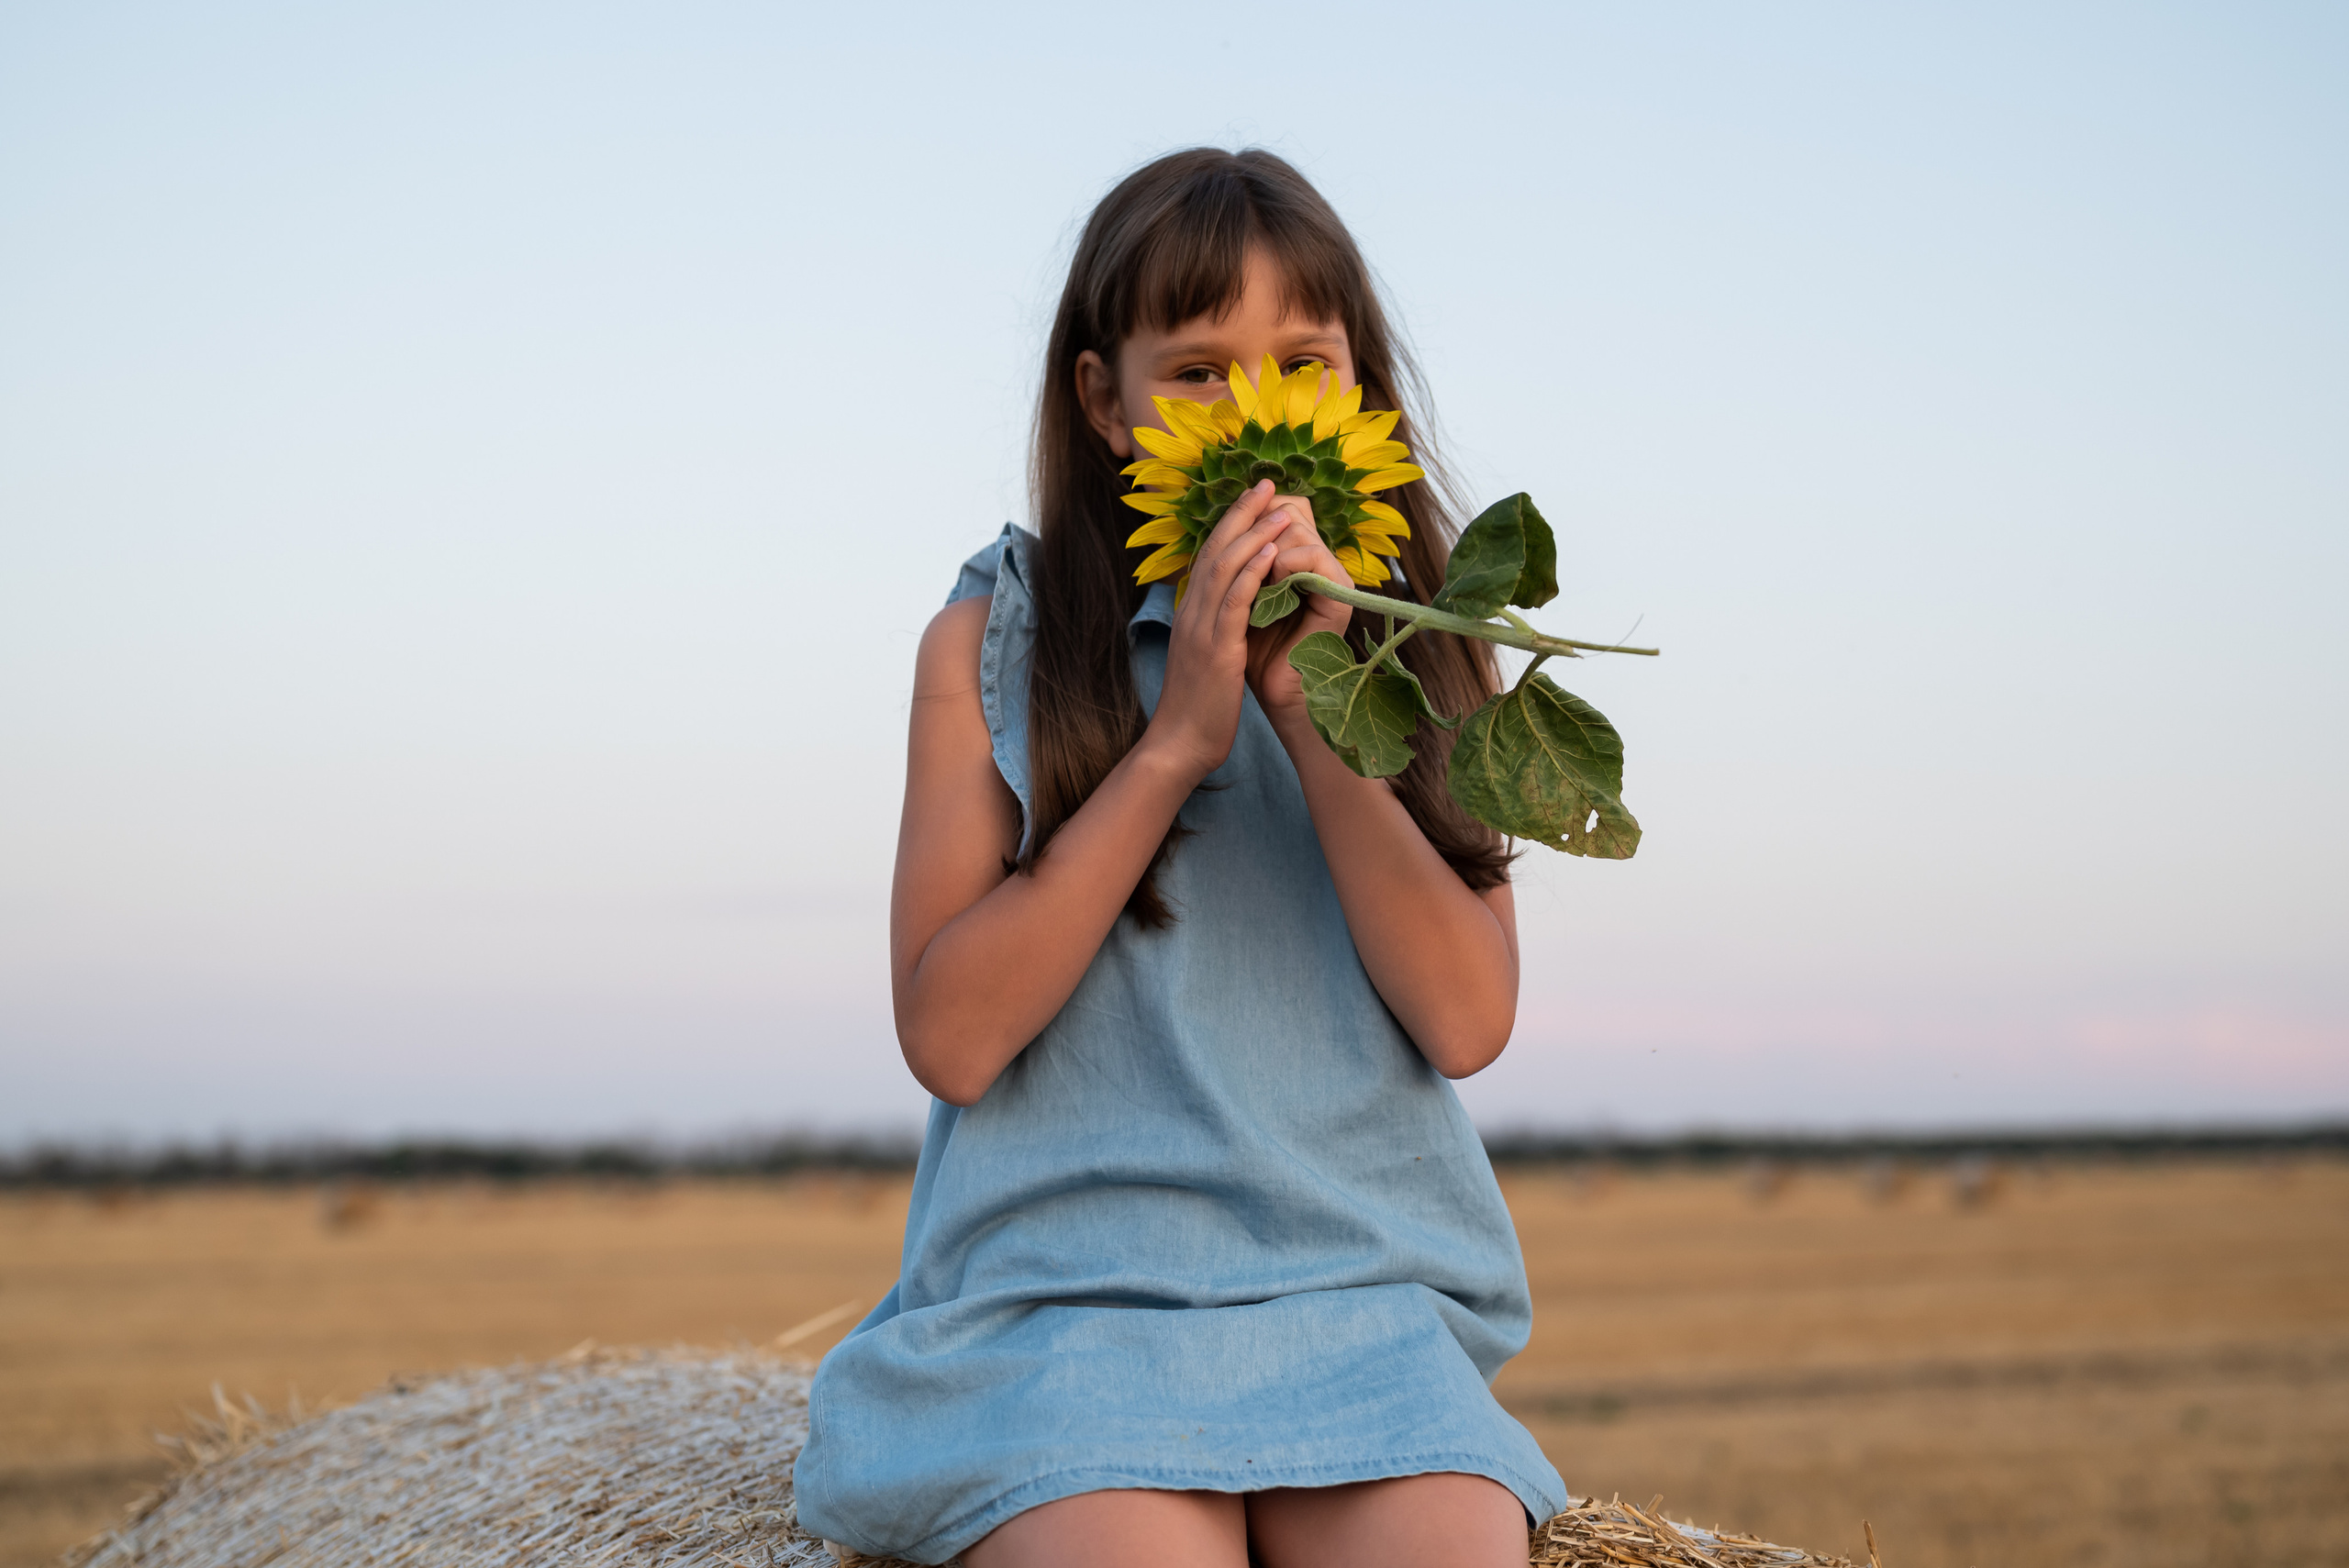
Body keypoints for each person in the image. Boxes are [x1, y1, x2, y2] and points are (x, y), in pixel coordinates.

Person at [794, 147, 1565, 1568]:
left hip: (1366, 1302)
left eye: (1303, 367)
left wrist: (1309, 705)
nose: (1256, 415)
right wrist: (1174, 745)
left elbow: (1467, 1016)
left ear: (1363, 392)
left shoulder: (1425, 645)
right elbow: (953, 1036)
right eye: (1199, 371)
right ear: (1105, 401)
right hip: (1065, 1313)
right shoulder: (993, 646)